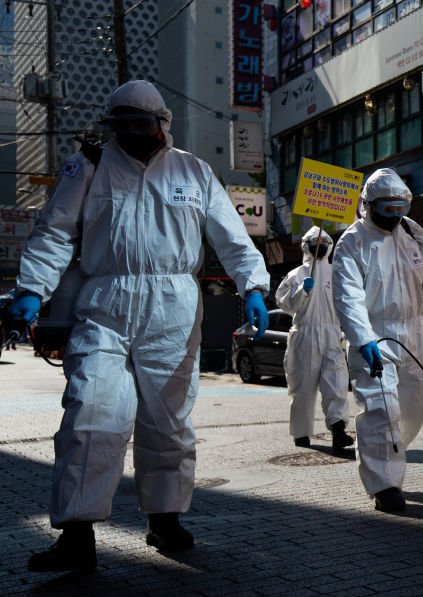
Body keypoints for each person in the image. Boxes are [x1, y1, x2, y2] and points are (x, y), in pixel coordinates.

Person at [9, 80, 270, 572]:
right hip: (104, 300)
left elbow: (230, 234)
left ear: (161, 124)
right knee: (90, 413)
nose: (131, 133)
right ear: (111, 126)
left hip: (173, 305)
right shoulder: (88, 167)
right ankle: (77, 533)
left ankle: (164, 518)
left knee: (167, 419)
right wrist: (31, 288)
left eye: (141, 124)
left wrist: (252, 284)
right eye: (122, 125)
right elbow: (55, 231)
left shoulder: (194, 171)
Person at [332, 169, 423, 513]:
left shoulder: (412, 233)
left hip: (413, 335)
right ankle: (385, 483)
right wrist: (363, 339)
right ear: (368, 204)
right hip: (374, 335)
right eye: (387, 209)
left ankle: (386, 450)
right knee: (381, 410)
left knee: (415, 405)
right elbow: (347, 296)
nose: (394, 217)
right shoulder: (352, 241)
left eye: (400, 208)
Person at [276, 226, 352, 453]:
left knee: (336, 384)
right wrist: (301, 290)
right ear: (306, 246)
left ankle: (338, 431)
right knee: (303, 387)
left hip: (332, 335)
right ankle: (301, 432)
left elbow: (347, 304)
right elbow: (285, 305)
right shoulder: (296, 274)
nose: (320, 247)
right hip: (305, 335)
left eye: (324, 243)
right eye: (315, 243)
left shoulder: (338, 273)